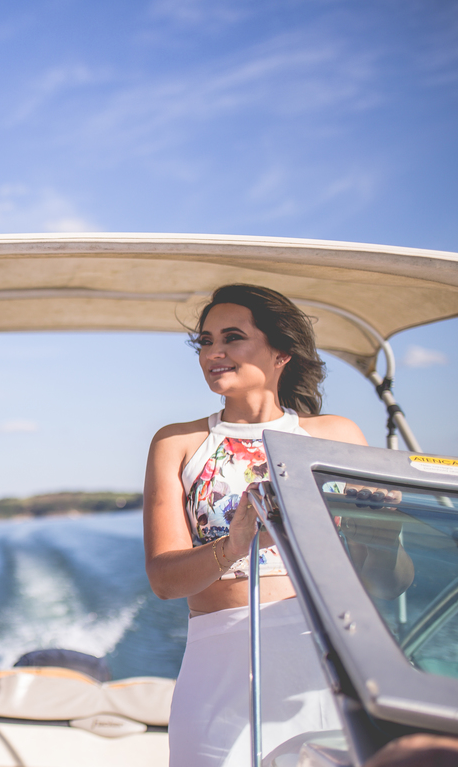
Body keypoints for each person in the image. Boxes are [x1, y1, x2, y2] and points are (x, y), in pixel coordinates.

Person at [143, 284, 367, 767]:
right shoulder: (177, 443)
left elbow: (389, 578)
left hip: (325, 658)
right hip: (219, 661)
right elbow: (164, 580)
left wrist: (383, 527)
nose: (213, 352)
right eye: (205, 341)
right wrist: (235, 543)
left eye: (232, 337)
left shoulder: (336, 437)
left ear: (281, 353)